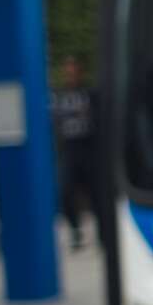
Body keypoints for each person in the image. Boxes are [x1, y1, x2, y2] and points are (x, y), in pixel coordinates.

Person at [52, 56, 96, 250]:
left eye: (73, 71)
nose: (70, 75)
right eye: (67, 71)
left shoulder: (89, 94)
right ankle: (75, 229)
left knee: (95, 192)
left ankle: (104, 234)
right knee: (66, 191)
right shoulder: (58, 96)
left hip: (87, 147)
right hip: (68, 149)